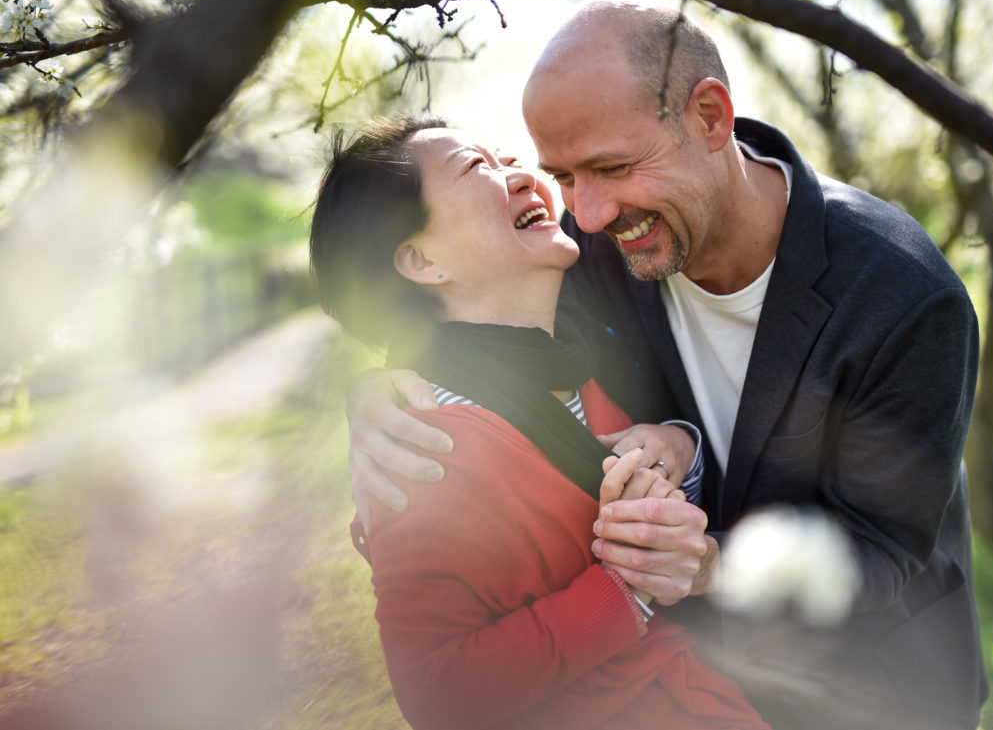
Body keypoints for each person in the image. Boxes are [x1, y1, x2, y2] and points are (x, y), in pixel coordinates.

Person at [345, 2, 986, 729]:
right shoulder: (591, 246)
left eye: (611, 167)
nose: (584, 213)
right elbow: (473, 309)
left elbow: (878, 550)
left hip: (874, 686)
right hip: (703, 690)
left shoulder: (903, 297)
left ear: (711, 118)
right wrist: (379, 386)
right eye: (564, 175)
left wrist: (709, 566)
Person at [309, 115, 769, 729]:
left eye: (508, 157)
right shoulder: (426, 446)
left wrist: (675, 446)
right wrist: (626, 587)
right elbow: (438, 691)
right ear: (420, 260)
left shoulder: (577, 366)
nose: (523, 174)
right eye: (479, 168)